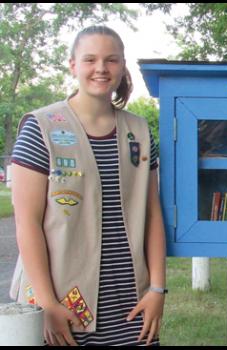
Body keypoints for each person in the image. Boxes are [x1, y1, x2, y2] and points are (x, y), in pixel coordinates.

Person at [9, 25, 166, 346]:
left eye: (111, 60)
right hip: (61, 304)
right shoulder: (41, 128)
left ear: (122, 67)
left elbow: (152, 214)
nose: (101, 69)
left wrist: (157, 289)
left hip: (130, 305)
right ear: (73, 65)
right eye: (90, 59)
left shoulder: (139, 131)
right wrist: (47, 303)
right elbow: (27, 223)